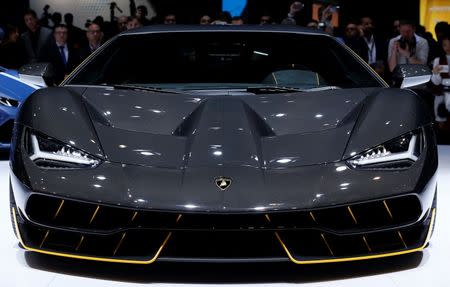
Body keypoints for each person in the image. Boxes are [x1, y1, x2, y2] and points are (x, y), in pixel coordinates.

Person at [431, 35, 450, 125]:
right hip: (441, 94)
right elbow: (435, 82)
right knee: (441, 122)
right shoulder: (438, 60)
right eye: (445, 45)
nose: (448, 48)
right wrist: (435, 73)